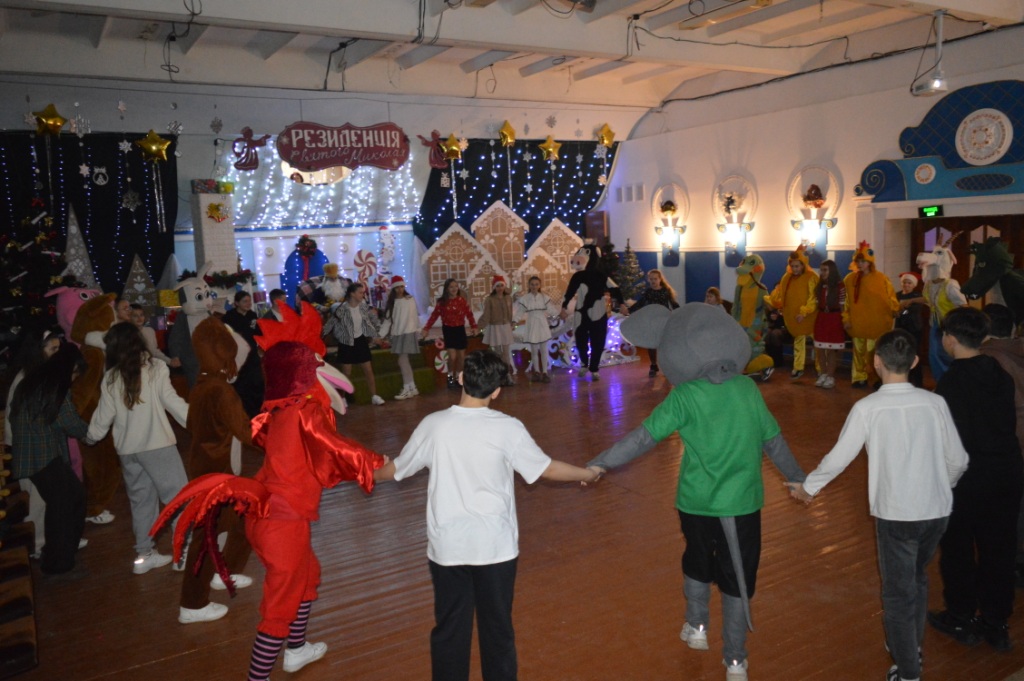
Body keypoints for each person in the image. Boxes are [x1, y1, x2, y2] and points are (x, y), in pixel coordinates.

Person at [587, 303, 806, 681]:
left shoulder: (684, 395)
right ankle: (735, 661)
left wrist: (600, 464)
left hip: (696, 502)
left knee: (697, 560)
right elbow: (774, 442)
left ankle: (697, 626)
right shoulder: (747, 390)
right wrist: (797, 478)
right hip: (742, 504)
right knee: (737, 579)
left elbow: (642, 438)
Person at [373, 350, 599, 681]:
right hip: (495, 549)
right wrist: (587, 473)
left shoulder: (433, 425)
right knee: (498, 630)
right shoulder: (508, 428)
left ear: (461, 378)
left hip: (448, 549)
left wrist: (366, 472)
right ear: (496, 391)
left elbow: (394, 470)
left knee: (450, 630)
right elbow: (547, 468)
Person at [787, 329, 969, 681]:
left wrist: (809, 488)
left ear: (876, 362)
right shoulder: (935, 403)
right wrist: (939, 487)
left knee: (898, 594)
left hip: (897, 515)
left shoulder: (868, 408)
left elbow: (838, 458)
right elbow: (958, 460)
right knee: (917, 578)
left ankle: (909, 670)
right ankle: (911, 644)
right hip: (937, 513)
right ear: (915, 362)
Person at [929, 306, 1024, 652]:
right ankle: (996, 623)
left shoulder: (952, 382)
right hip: (1006, 472)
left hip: (969, 478)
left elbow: (949, 441)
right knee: (999, 549)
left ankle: (960, 615)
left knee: (957, 550)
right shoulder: (999, 373)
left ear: (950, 339)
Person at [85, 322, 190, 574]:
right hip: (158, 446)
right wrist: (198, 422)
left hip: (128, 451)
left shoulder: (111, 376)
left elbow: (103, 415)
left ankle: (144, 555)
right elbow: (172, 401)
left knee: (141, 502)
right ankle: (182, 552)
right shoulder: (155, 368)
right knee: (178, 499)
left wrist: (91, 436)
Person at [8, 343, 91, 574]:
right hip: (42, 454)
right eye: (75, 373)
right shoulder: (54, 386)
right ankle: (58, 560)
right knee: (64, 503)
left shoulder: (35, 379)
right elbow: (69, 422)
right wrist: (92, 434)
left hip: (32, 452)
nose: (74, 379)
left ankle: (60, 554)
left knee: (68, 499)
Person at [978, 304, 1024, 585]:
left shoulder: (987, 359)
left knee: (1003, 509)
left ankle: (1008, 565)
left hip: (1008, 443)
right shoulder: (1016, 351)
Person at [842, 241, 898, 388]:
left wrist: (894, 309)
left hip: (876, 322)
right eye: (858, 261)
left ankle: (876, 378)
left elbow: (890, 297)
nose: (860, 264)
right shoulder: (850, 280)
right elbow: (846, 303)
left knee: (874, 352)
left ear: (870, 262)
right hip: (857, 322)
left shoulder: (881, 279)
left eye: (863, 261)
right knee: (859, 351)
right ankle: (859, 377)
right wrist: (846, 319)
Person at [324, 282, 385, 405]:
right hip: (346, 342)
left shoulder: (363, 308)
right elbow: (330, 324)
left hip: (360, 341)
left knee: (368, 370)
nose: (363, 295)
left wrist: (376, 336)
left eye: (363, 292)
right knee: (347, 372)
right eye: (360, 292)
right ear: (352, 294)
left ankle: (374, 396)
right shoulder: (342, 309)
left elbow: (370, 322)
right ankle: (342, 398)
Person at [764, 246, 818, 380]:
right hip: (794, 319)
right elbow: (781, 297)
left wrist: (804, 312)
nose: (794, 269)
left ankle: (821, 369)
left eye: (797, 266)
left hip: (810, 318)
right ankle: (798, 368)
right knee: (799, 341)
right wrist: (768, 299)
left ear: (803, 265)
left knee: (818, 343)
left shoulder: (811, 277)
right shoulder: (786, 278)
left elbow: (813, 298)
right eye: (792, 266)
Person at [560, 244, 610, 381]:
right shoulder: (577, 276)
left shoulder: (601, 275)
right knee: (580, 340)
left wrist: (622, 303)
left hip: (598, 313)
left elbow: (614, 288)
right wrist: (563, 307)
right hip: (581, 313)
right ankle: (584, 364)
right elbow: (570, 291)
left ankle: (594, 368)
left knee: (597, 341)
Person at [620, 269, 679, 377]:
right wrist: (629, 310)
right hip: (651, 322)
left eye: (655, 279)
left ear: (660, 279)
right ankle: (653, 365)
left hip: (663, 321)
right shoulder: (648, 292)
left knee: (664, 344)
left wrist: (680, 313)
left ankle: (667, 365)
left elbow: (673, 304)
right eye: (651, 279)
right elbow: (640, 303)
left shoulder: (665, 291)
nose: (653, 281)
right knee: (651, 343)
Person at [422, 279, 478, 390]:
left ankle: (459, 378)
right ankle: (450, 378)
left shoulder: (461, 300)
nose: (454, 289)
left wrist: (474, 326)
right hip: (448, 330)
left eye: (456, 286)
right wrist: (426, 328)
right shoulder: (442, 302)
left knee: (461, 356)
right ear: (447, 289)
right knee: (452, 356)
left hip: (460, 329)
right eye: (451, 287)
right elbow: (434, 316)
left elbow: (469, 314)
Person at [222, 290, 265, 417]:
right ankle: (243, 413)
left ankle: (258, 412)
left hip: (252, 355)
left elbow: (258, 333)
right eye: (244, 301)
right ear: (236, 303)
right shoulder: (229, 317)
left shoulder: (252, 315)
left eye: (249, 301)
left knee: (257, 382)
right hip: (238, 357)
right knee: (241, 385)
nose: (248, 304)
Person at [379, 275, 421, 400]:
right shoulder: (392, 303)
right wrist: (380, 335)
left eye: (402, 287)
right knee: (404, 360)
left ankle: (407, 387)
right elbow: (387, 321)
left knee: (402, 360)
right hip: (398, 334)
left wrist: (418, 330)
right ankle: (412, 387)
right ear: (393, 289)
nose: (400, 289)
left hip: (408, 332)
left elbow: (415, 316)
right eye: (397, 287)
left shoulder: (410, 299)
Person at [514, 276, 559, 383]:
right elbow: (520, 312)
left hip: (542, 323)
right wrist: (514, 321)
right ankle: (537, 372)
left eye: (536, 284)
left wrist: (558, 314)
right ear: (529, 285)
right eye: (532, 284)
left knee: (543, 350)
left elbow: (551, 309)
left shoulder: (544, 298)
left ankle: (545, 372)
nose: (534, 286)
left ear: (539, 285)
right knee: (534, 350)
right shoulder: (525, 298)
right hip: (532, 324)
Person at [813, 260, 846, 390]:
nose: (822, 273)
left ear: (832, 270)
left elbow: (843, 306)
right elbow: (816, 304)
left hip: (834, 318)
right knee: (820, 349)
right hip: (822, 318)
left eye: (825, 270)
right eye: (821, 270)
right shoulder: (820, 286)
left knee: (832, 350)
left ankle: (830, 376)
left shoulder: (840, 286)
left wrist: (845, 321)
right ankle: (823, 373)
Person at [478, 276, 516, 386]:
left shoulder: (508, 298)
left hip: (505, 326)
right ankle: (500, 376)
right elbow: (486, 315)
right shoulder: (489, 299)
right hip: (495, 327)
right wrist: (479, 326)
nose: (500, 288)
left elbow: (510, 312)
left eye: (501, 285)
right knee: (498, 353)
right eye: (497, 286)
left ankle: (507, 375)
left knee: (506, 353)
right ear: (494, 287)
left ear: (504, 286)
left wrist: (511, 323)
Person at [894, 273, 927, 388]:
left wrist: (900, 312)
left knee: (914, 354)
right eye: (904, 282)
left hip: (913, 328)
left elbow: (912, 310)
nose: (906, 285)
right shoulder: (897, 295)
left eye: (909, 283)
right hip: (900, 328)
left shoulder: (917, 296)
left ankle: (917, 381)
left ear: (914, 285)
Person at [129, 303, 179, 368]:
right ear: (129, 317)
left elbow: (154, 351)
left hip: (150, 365)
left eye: (141, 315)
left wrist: (169, 361)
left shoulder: (150, 331)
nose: (139, 318)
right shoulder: (127, 333)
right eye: (135, 316)